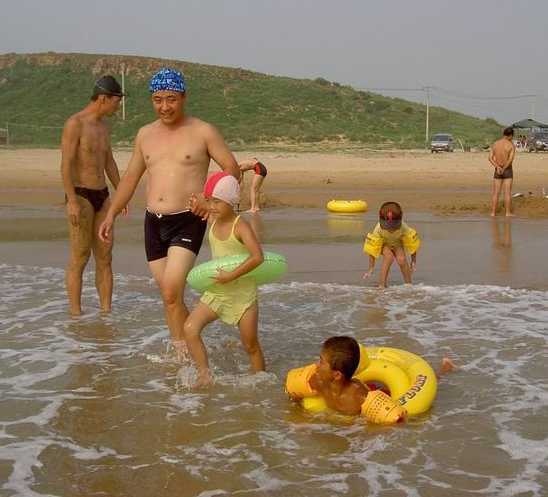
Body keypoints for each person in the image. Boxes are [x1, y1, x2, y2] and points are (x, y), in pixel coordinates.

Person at [98, 68, 239, 353]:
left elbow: (231, 168)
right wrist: (111, 213)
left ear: (183, 97)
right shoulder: (145, 134)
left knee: (172, 290)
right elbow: (130, 178)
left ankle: (189, 345)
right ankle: (184, 350)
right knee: (169, 296)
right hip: (153, 222)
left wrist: (207, 196)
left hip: (188, 219)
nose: (165, 106)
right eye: (158, 99)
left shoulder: (203, 131)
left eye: (171, 99)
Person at [183, 172, 266, 386]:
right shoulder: (212, 219)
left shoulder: (240, 226)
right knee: (190, 328)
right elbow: (199, 205)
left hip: (242, 295)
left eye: (217, 202)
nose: (211, 206)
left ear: (232, 201)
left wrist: (231, 276)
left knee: (250, 345)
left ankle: (260, 385)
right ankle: (204, 374)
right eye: (209, 201)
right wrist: (196, 201)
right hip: (218, 291)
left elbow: (257, 257)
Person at [60, 75, 128, 315]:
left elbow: (108, 161)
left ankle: (106, 313)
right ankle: (76, 315)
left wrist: (122, 192)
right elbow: (65, 165)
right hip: (80, 196)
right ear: (103, 98)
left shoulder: (104, 125)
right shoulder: (75, 124)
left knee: (105, 257)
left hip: (102, 195)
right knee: (80, 257)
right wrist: (71, 201)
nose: (118, 106)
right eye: (116, 101)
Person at [285, 336, 457, 422]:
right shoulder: (317, 382)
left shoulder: (358, 397)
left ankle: (443, 370)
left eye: (321, 361)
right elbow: (293, 395)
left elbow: (396, 421)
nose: (316, 365)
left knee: (419, 382)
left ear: (337, 374)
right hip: (355, 388)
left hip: (377, 393)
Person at [363, 201, 418, 288]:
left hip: (397, 243)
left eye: (394, 225)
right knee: (389, 257)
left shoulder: (404, 227)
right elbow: (372, 248)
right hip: (384, 244)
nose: (391, 228)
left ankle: (409, 285)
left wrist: (413, 260)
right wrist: (371, 267)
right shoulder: (378, 228)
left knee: (402, 260)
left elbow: (412, 243)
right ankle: (382, 285)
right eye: (388, 225)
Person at [489, 127, 516, 217]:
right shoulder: (511, 145)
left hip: (497, 169)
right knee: (507, 192)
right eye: (512, 136)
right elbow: (510, 160)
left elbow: (490, 158)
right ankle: (507, 212)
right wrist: (504, 168)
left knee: (496, 192)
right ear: (510, 135)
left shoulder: (495, 144)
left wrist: (497, 167)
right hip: (507, 169)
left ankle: (493, 212)